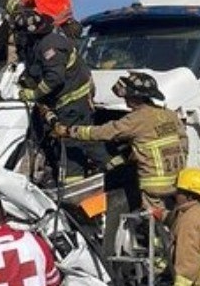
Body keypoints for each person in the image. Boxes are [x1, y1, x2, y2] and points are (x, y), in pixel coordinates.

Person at [54, 72, 188, 215]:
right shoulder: (170, 115)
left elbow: (104, 132)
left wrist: (70, 131)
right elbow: (183, 143)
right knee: (170, 215)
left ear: (134, 97)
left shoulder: (136, 119)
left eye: (127, 97)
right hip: (176, 181)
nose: (125, 100)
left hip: (153, 186)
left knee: (152, 221)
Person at [16, 9, 105, 184]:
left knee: (69, 147)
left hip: (72, 103)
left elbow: (54, 78)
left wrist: (33, 94)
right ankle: (118, 170)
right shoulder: (42, 43)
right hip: (72, 103)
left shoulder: (50, 46)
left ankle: (73, 192)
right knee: (88, 142)